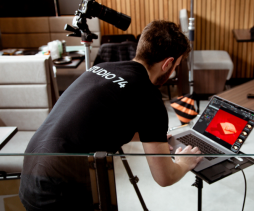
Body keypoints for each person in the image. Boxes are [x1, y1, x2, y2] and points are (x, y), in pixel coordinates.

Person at [19, 20, 203, 211]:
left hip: (30, 174)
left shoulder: (102, 68)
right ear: (168, 64)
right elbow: (165, 177)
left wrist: (149, 137)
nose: (173, 73)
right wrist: (184, 162)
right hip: (59, 190)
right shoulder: (148, 96)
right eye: (176, 66)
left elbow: (100, 124)